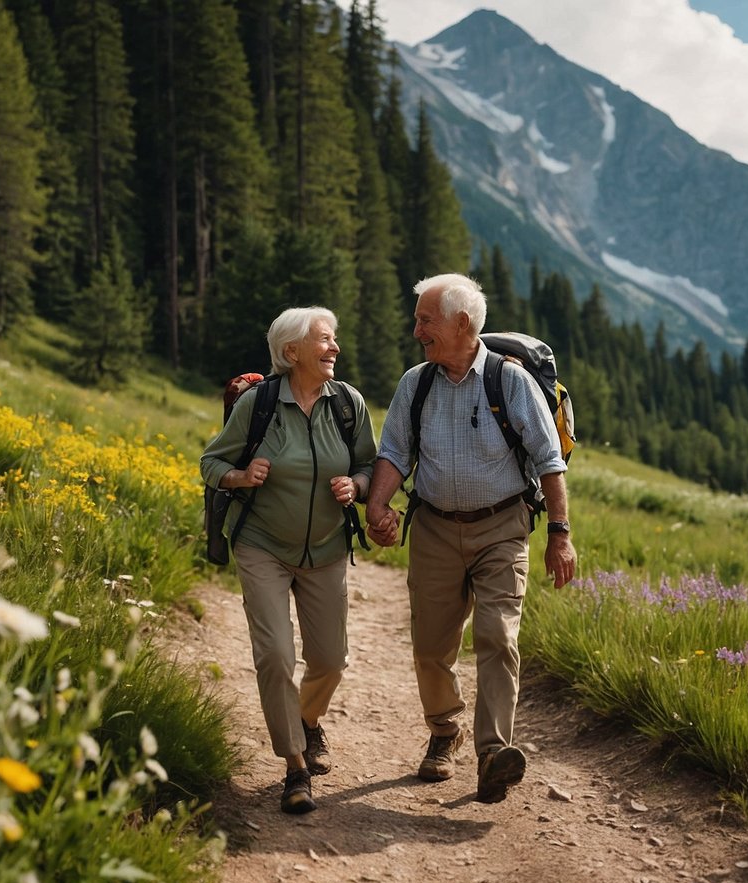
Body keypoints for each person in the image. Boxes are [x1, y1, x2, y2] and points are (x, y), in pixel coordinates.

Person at [365, 273, 576, 804]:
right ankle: (443, 731)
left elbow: (550, 463)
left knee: (498, 637)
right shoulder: (416, 383)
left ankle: (491, 754)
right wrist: (378, 504)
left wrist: (560, 534)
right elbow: (394, 452)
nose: (417, 331)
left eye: (425, 320)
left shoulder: (511, 382)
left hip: (502, 529)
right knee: (431, 647)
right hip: (434, 528)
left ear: (462, 324)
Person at [200, 307, 376, 814]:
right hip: (262, 546)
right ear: (291, 351)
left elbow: (368, 462)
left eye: (335, 339)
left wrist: (358, 485)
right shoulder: (258, 404)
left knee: (329, 660)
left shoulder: (348, 404)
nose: (335, 348)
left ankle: (307, 720)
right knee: (276, 654)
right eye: (324, 340)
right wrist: (239, 477)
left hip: (326, 550)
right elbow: (212, 461)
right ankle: (295, 767)